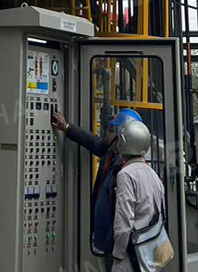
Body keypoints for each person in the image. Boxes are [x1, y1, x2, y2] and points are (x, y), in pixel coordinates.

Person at [51, 105, 143, 269]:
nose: (107, 134)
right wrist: (67, 128)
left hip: (118, 244)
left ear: (122, 137)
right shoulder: (112, 152)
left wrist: (118, 250)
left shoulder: (126, 169)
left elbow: (126, 216)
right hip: (110, 241)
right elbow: (93, 142)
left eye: (111, 131)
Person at [110, 117, 168, 272]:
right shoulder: (153, 174)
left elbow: (124, 220)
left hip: (132, 251)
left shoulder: (125, 175)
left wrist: (118, 253)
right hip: (152, 248)